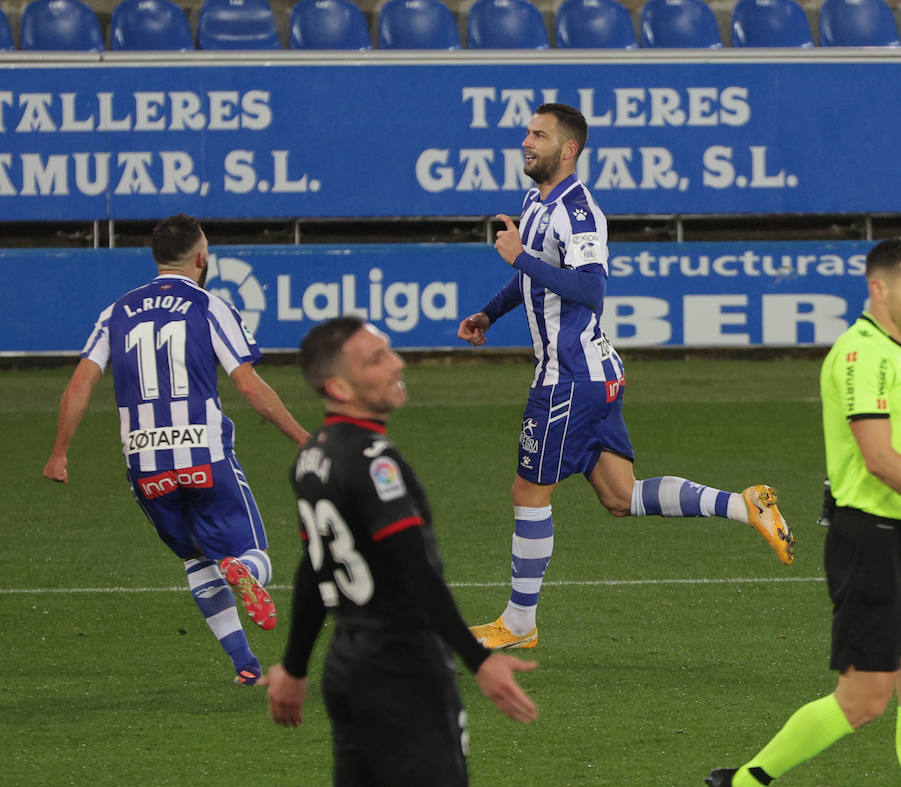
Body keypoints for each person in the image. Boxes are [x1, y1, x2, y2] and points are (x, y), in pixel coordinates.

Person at [456, 102, 795, 650]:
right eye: (527, 133)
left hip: (570, 380)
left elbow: (590, 289)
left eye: (538, 135)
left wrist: (518, 257)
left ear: (568, 150)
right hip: (591, 374)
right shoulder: (535, 202)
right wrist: (489, 313)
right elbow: (540, 282)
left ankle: (518, 624)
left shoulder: (579, 212)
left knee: (528, 490)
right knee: (620, 496)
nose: (526, 142)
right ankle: (744, 504)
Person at [706, 238, 901, 787]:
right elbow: (877, 457)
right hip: (870, 539)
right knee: (864, 699)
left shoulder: (899, 355)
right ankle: (748, 781)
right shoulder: (860, 353)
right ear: (879, 288)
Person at [267, 316, 538, 784]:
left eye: (389, 350)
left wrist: (294, 667)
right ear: (340, 387)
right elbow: (416, 573)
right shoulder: (374, 462)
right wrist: (480, 663)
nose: (398, 364)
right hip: (405, 672)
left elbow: (315, 568)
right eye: (376, 360)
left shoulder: (312, 457)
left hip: (348, 669)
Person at [43, 213, 308, 686]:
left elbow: (81, 382)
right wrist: (303, 439)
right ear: (202, 258)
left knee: (195, 559)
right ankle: (243, 569)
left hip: (145, 464)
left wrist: (59, 452)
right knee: (252, 553)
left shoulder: (117, 311)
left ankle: (244, 664)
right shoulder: (209, 306)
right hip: (204, 455)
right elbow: (247, 385)